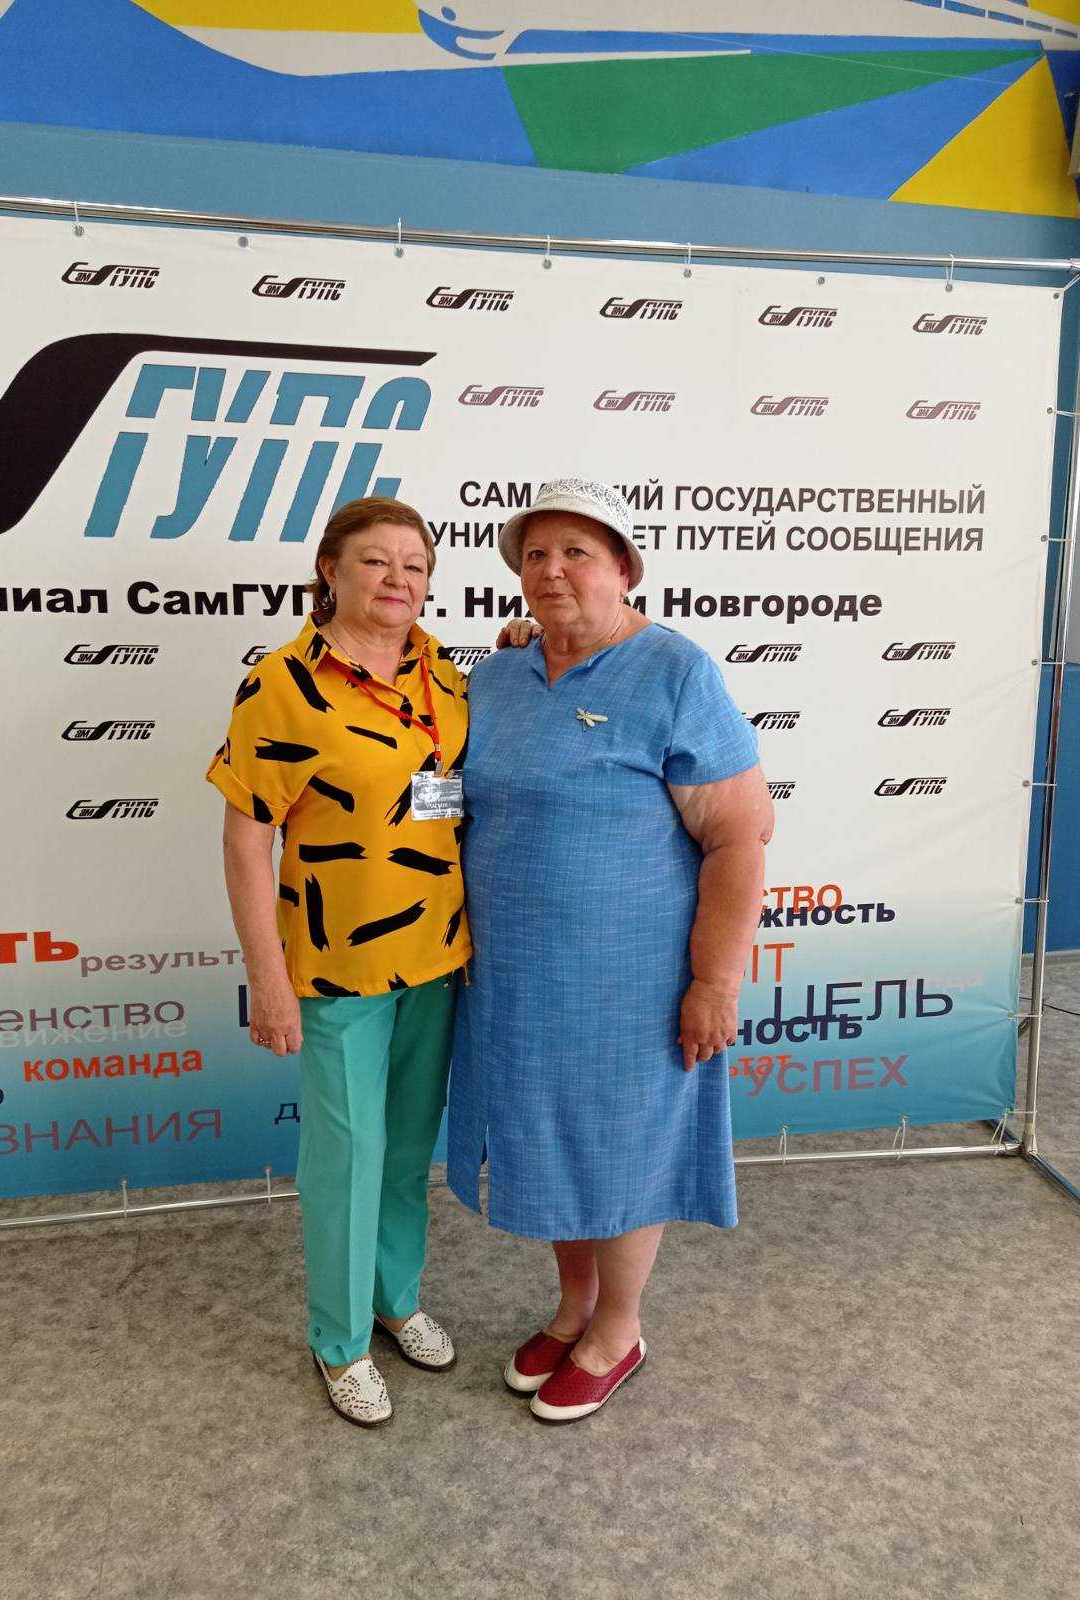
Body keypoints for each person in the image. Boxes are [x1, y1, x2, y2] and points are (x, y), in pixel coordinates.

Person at [446, 477, 774, 1424]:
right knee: (548, 1140)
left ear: (624, 568)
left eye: (576, 553)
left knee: (621, 1146)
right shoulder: (496, 676)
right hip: (514, 978)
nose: (551, 570)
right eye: (534, 555)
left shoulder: (674, 670)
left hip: (634, 981)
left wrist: (714, 980)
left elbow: (739, 835)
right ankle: (574, 1307)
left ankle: (618, 1331)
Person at [206, 495, 473, 1429]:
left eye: (415, 564)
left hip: (436, 959)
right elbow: (246, 840)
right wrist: (267, 979)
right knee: (346, 1159)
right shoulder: (281, 685)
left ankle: (395, 1300)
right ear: (330, 569)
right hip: (333, 970)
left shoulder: (446, 674)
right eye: (376, 560)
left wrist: (522, 639)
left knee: (403, 1151)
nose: (399, 578)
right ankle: (340, 1340)